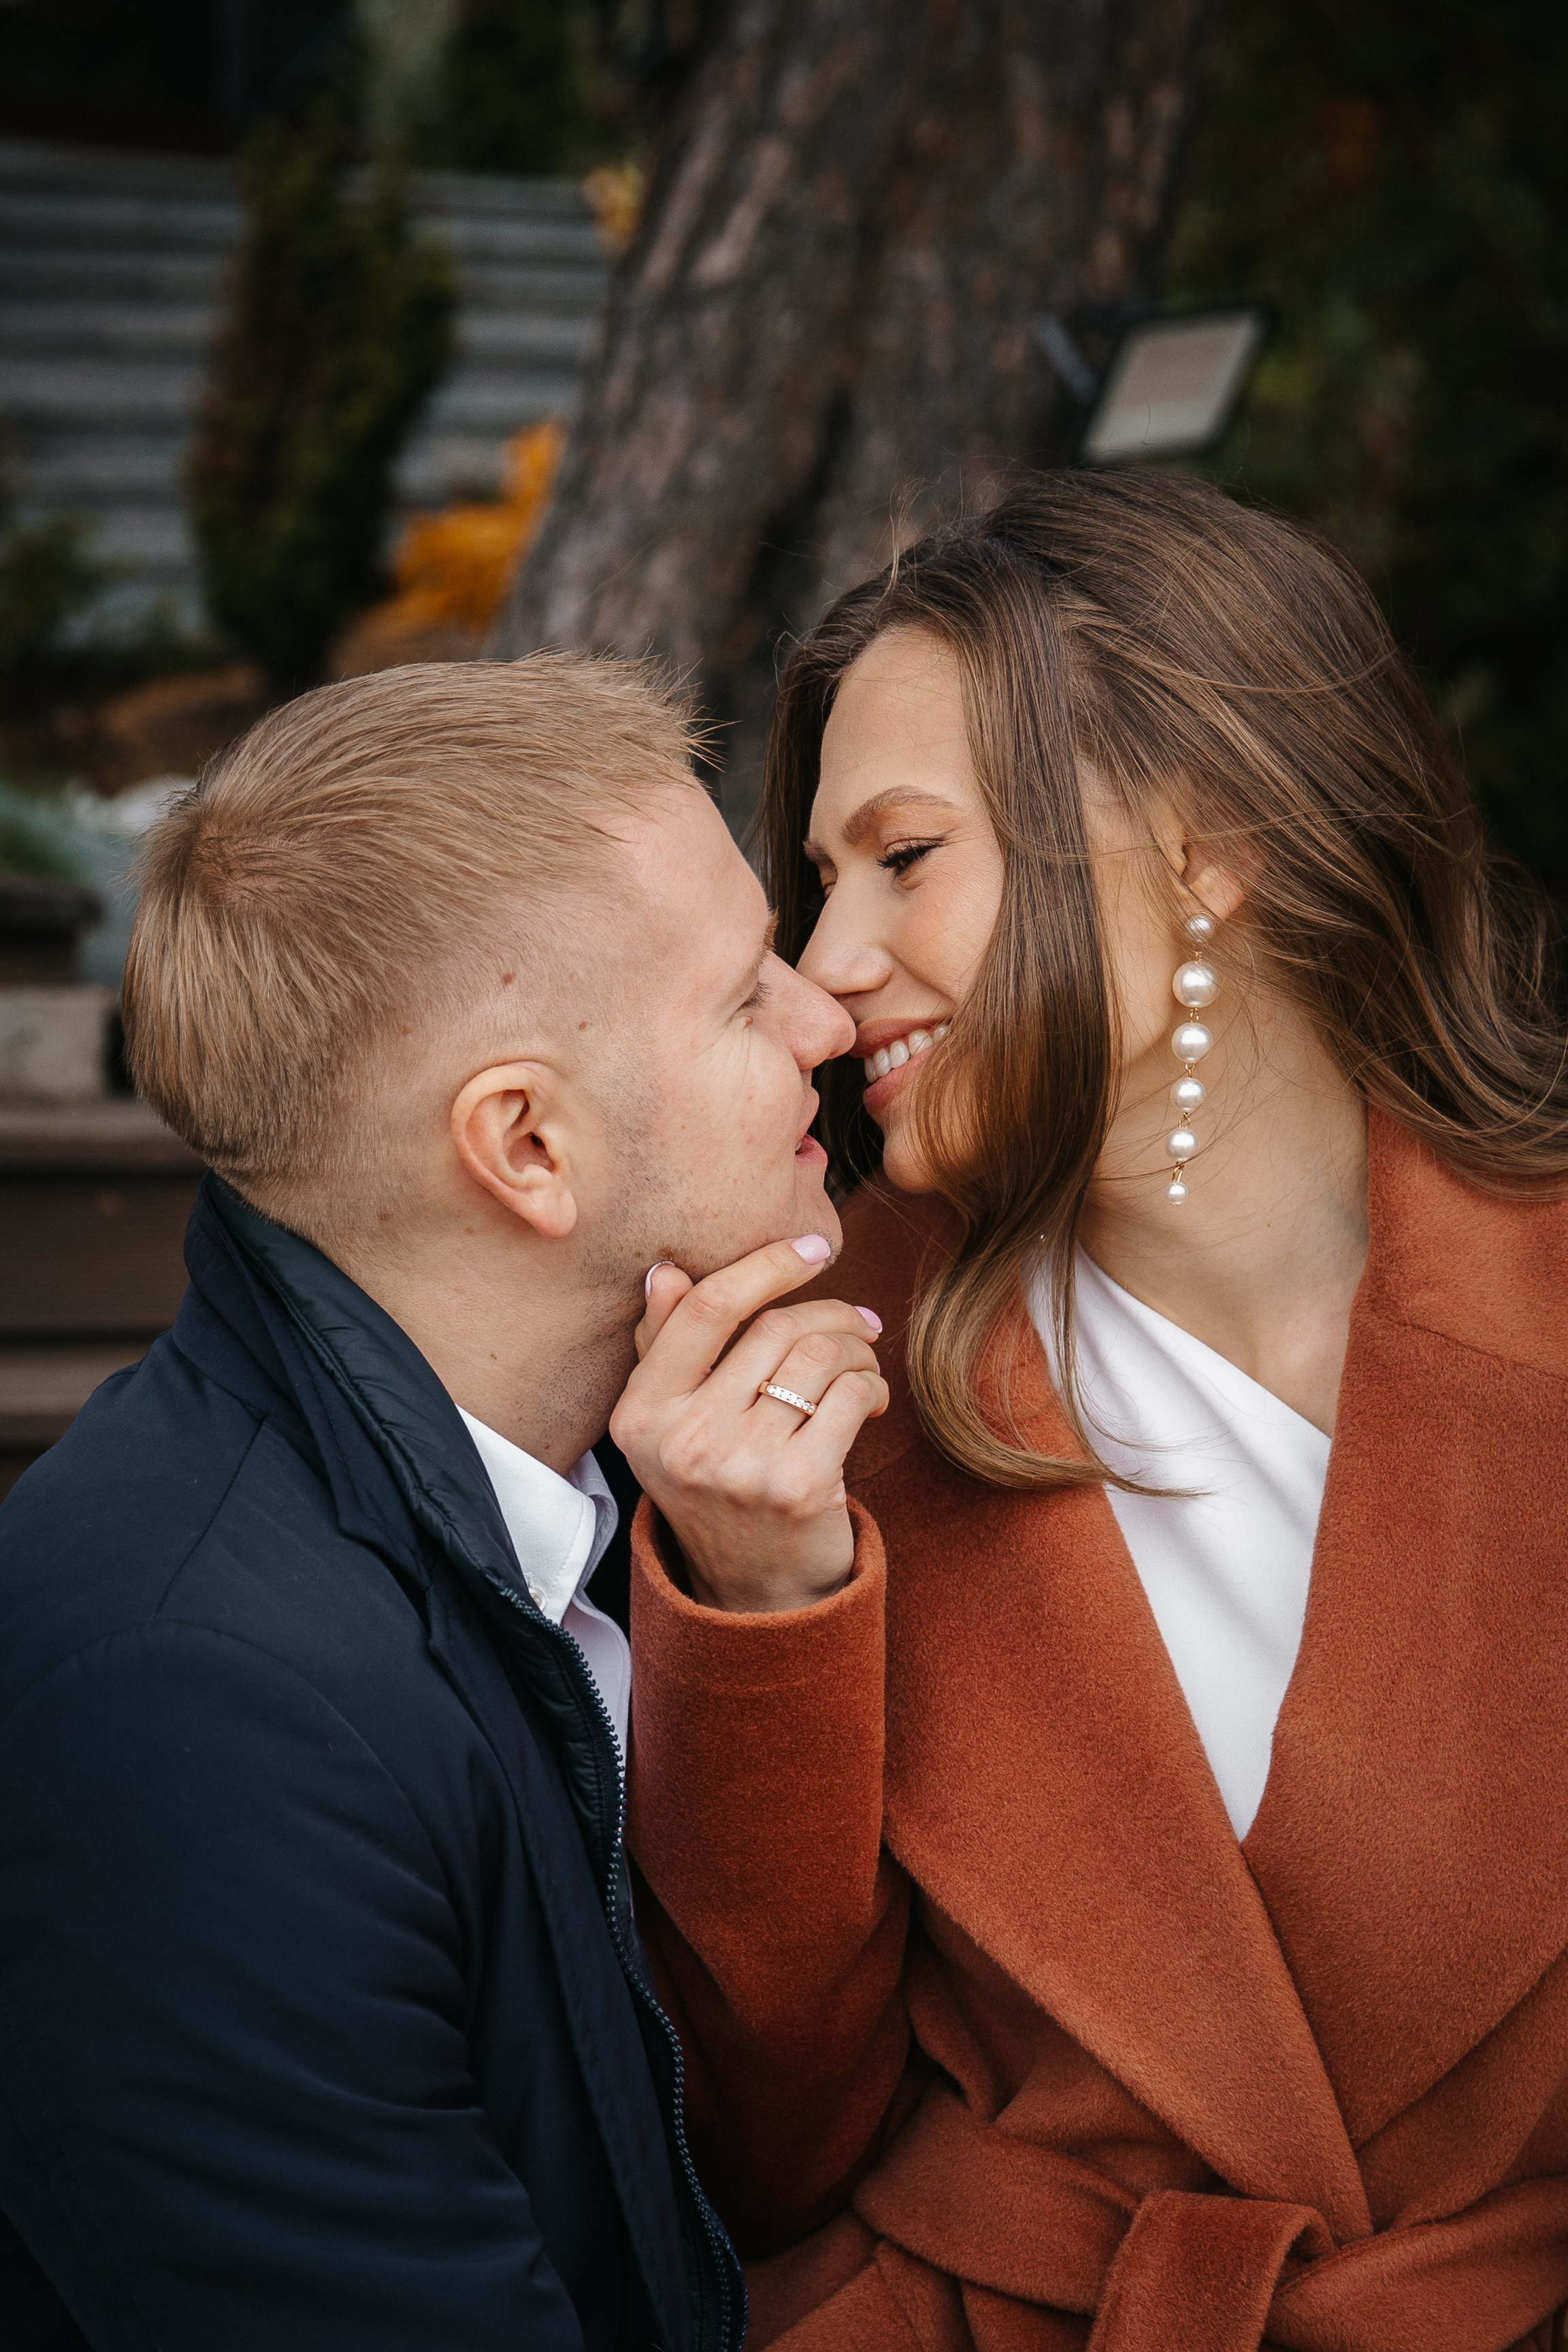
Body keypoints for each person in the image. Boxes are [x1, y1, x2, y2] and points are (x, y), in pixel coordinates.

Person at [610, 472, 1568, 2351]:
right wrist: (767, 1613)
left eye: (904, 857)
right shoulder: (807, 1394)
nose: (827, 968)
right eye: (821, 885)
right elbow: (758, 2147)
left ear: (1208, 841)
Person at [0, 654, 892, 2352]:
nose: (826, 1018)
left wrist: (766, 1610)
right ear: (527, 1151)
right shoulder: (193, 1713)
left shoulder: (637, 1464)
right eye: (741, 995)